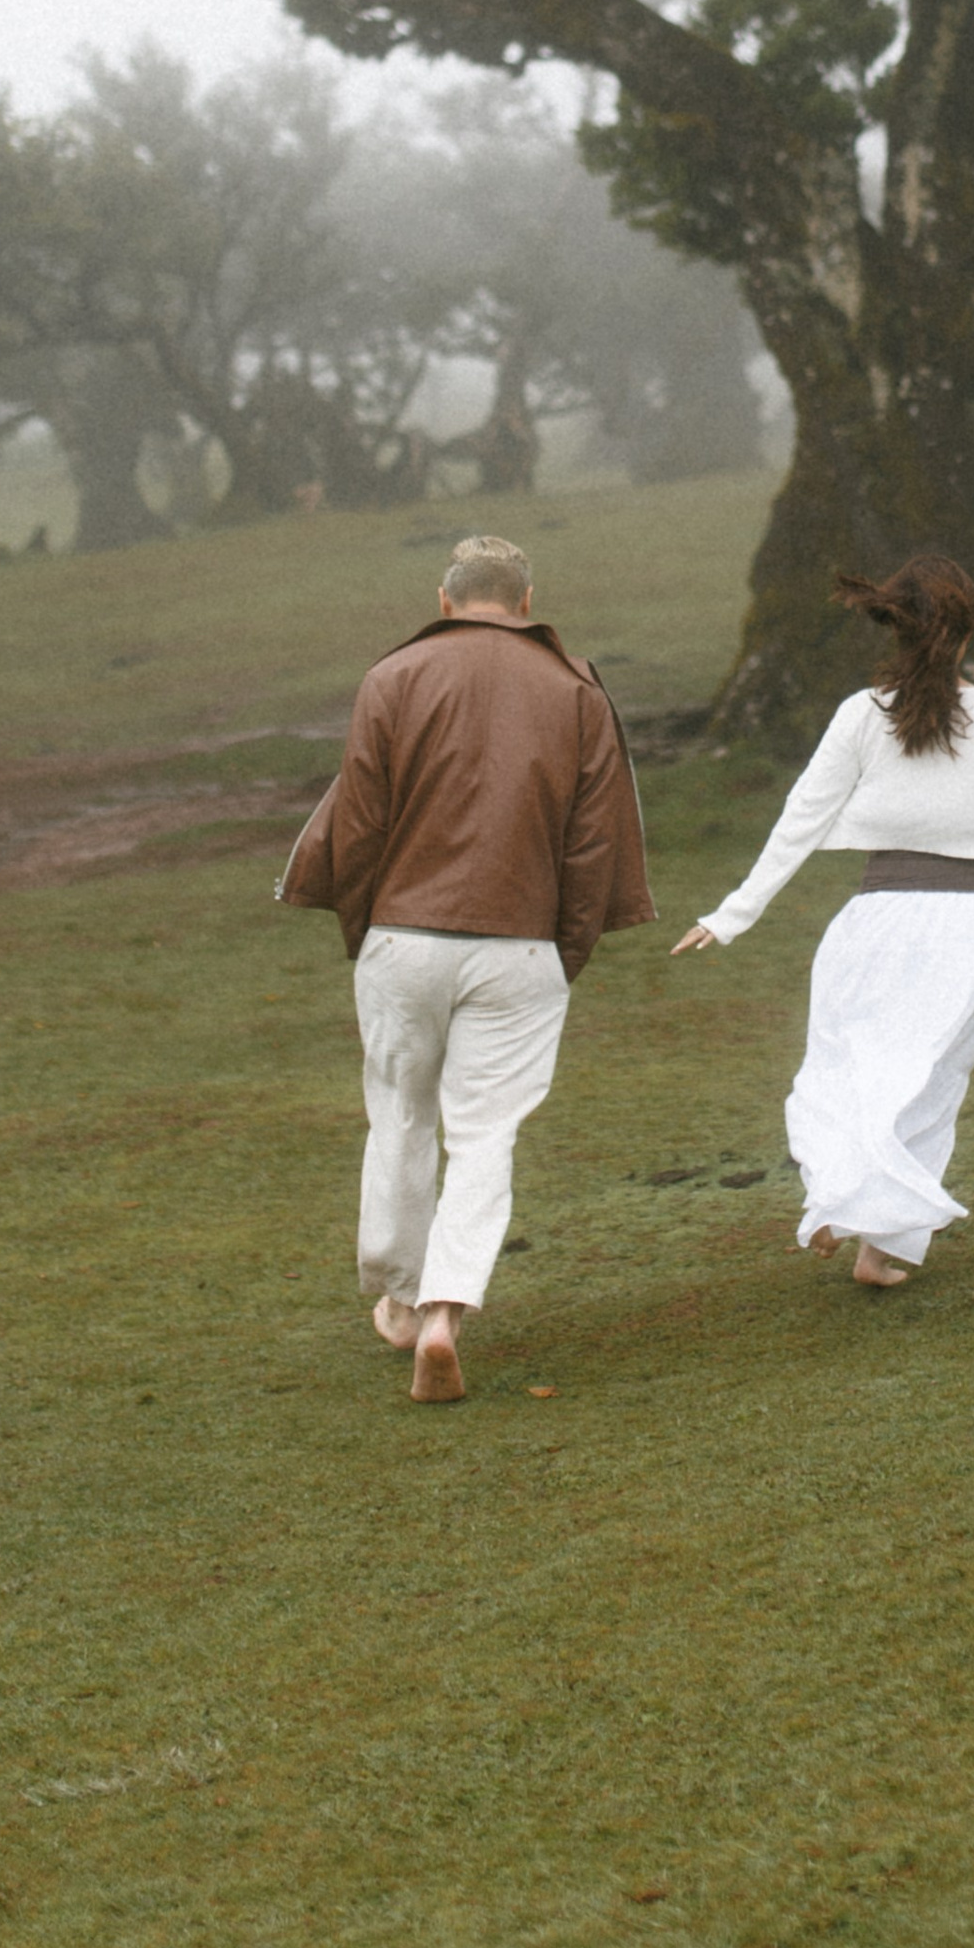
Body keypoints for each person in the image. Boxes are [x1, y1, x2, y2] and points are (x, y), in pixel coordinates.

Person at [671, 553, 974, 1286]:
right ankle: (875, 1244)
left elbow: (799, 820)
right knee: (928, 1082)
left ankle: (841, 1204)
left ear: (892, 627)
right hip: (971, 931)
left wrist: (731, 916)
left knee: (848, 1068)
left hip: (875, 923)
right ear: (968, 631)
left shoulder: (861, 717)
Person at [277, 532, 652, 1401]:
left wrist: (367, 930)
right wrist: (564, 952)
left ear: (444, 602)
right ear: (526, 604)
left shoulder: (391, 678)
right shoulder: (576, 689)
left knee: (400, 1115)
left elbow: (359, 823)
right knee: (485, 1136)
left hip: (404, 939)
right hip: (522, 948)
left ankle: (400, 1295)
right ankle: (446, 1310)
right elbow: (594, 844)